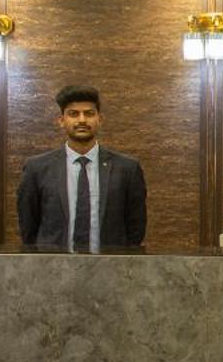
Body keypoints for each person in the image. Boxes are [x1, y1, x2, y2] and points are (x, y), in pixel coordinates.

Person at [16, 85, 148, 251]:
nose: (82, 120)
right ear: (61, 121)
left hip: (109, 264)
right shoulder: (37, 168)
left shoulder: (127, 168)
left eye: (89, 113)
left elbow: (136, 227)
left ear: (100, 119)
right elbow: (28, 226)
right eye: (73, 114)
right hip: (54, 264)